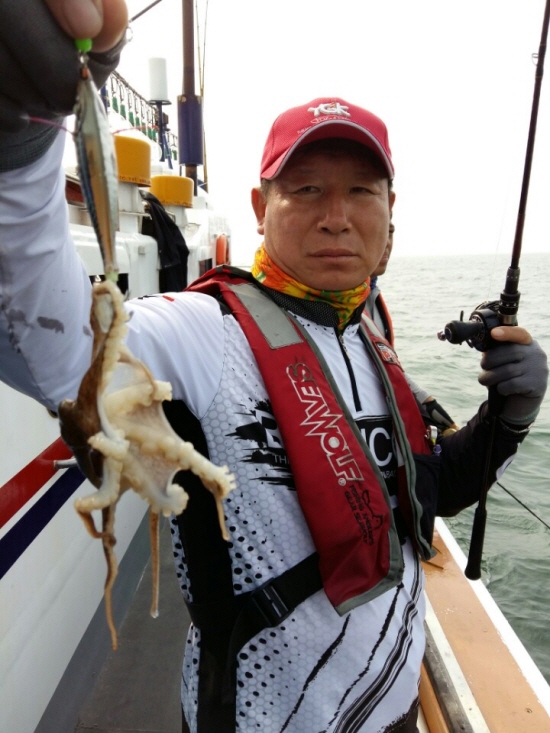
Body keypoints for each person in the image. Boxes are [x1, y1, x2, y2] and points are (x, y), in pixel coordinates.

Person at [0, 4, 548, 732]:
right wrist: (21, 141)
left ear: (390, 214)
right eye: (307, 188)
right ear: (261, 207)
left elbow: (431, 492)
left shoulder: (370, 336)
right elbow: (59, 354)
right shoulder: (207, 329)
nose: (336, 216)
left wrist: (510, 417)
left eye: (361, 190)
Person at [367, 222, 461, 434]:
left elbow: (391, 372)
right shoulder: (342, 304)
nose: (386, 242)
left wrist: (445, 422)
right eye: (378, 230)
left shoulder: (372, 295)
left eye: (390, 232)